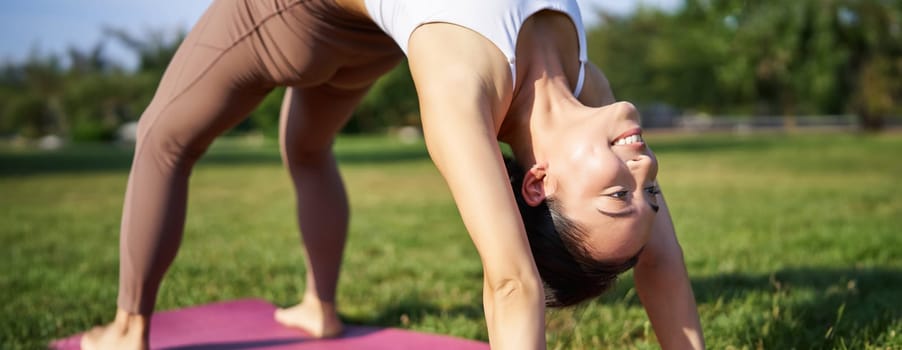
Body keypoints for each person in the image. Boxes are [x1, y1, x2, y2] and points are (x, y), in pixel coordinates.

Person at [81, 0, 705, 349]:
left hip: (297, 12)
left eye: (619, 191)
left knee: (162, 135)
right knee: (305, 145)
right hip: (371, 32)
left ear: (537, 182)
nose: (644, 166)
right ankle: (318, 308)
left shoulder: (464, 86)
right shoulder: (585, 84)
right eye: (648, 190)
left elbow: (512, 280)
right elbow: (660, 260)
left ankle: (128, 329)